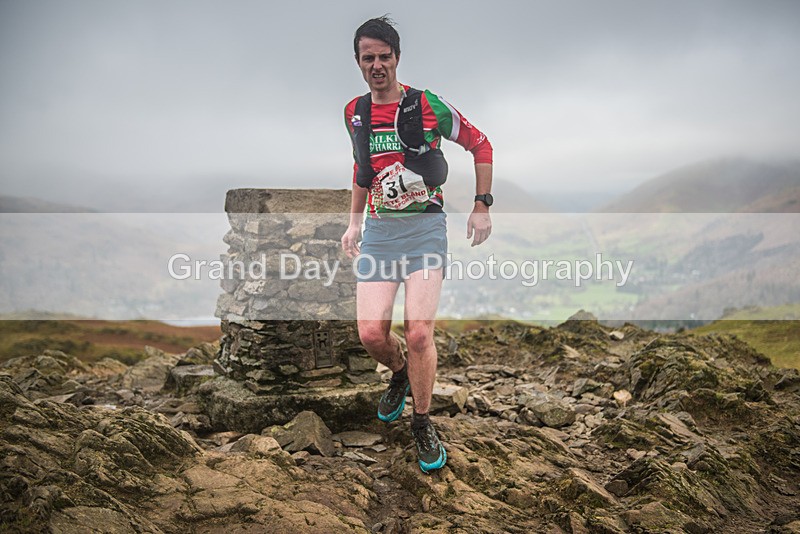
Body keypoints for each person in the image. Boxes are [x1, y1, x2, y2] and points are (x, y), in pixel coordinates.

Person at [341, 16, 493, 473]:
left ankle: (422, 423)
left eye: (384, 56)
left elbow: (480, 144)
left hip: (425, 229)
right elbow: (361, 170)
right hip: (380, 233)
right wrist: (353, 223)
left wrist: (482, 204)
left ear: (397, 58)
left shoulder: (426, 105)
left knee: (419, 332)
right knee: (370, 333)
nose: (377, 65)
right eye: (368, 58)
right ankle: (401, 373)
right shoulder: (355, 112)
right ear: (359, 63)